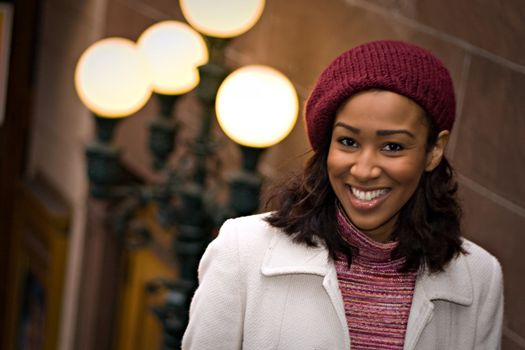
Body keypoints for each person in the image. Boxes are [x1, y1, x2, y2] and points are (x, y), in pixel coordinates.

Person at [181, 40, 504, 350]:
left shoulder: (480, 278)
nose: (364, 170)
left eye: (392, 146)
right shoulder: (242, 249)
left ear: (434, 150)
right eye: (348, 142)